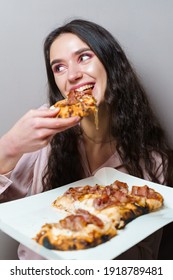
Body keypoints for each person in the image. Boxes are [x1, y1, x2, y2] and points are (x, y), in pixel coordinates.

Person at [0, 19, 173, 260]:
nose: (72, 75)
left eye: (84, 57)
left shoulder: (155, 161)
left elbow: (147, 259)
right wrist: (7, 148)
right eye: (58, 67)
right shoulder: (41, 130)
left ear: (111, 62)